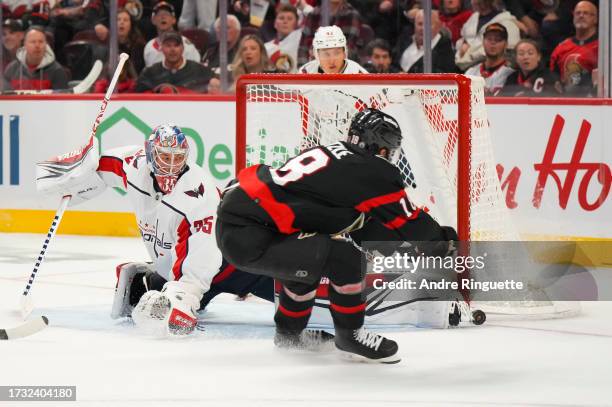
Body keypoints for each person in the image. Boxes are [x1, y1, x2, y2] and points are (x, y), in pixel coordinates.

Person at [216, 108, 458, 363]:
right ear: (384, 148)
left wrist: (398, 246)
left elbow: (355, 221)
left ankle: (289, 337)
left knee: (309, 260)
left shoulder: (336, 155)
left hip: (242, 224)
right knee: (345, 259)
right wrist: (444, 243)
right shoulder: (373, 170)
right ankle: (350, 337)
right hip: (250, 234)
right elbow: (411, 223)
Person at [36, 124, 274, 336]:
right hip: (184, 267)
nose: (171, 165)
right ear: (150, 154)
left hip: (235, 265)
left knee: (297, 305)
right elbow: (102, 165)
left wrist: (184, 298)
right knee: (151, 301)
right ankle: (149, 277)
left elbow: (204, 260)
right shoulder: (135, 165)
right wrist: (74, 169)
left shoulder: (199, 195)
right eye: (163, 157)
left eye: (177, 157)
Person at [136, 31, 212, 93]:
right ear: (162, 48)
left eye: (176, 45)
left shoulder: (199, 70)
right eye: (168, 45)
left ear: (182, 48)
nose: (172, 49)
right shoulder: (149, 73)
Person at [455, 0, 521, 71]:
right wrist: (463, 44)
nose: (472, 2)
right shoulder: (474, 17)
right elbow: (463, 38)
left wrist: (471, 54)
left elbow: (510, 53)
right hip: (466, 67)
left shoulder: (507, 22)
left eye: (479, 3)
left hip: (495, 70)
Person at [549, 1, 598, 96]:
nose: (581, 16)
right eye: (578, 13)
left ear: (595, 19)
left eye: (586, 13)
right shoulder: (561, 48)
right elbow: (553, 78)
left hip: (595, 102)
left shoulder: (604, 48)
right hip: (567, 101)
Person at [3, 25, 68, 92]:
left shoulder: (57, 71)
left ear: (46, 44)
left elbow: (61, 101)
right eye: (33, 42)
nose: (37, 45)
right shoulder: (11, 69)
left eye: (41, 42)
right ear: (25, 44)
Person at [297, 0, 362, 67]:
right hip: (313, 68)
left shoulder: (352, 15)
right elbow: (303, 47)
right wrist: (304, 71)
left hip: (341, 70)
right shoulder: (313, 14)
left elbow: (348, 49)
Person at [398, 9, 458, 74]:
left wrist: (410, 77)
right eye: (420, 24)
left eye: (428, 24)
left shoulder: (444, 47)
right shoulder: (406, 39)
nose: (423, 28)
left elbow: (442, 74)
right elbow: (392, 62)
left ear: (438, 27)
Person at [143, 2, 200, 68]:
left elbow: (196, 69)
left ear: (174, 20)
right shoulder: (149, 47)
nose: (163, 17)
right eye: (159, 14)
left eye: (167, 14)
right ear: (153, 20)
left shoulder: (184, 43)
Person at [464, 23, 514, 96]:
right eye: (489, 39)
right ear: (483, 42)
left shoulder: (510, 74)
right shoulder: (471, 72)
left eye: (498, 40)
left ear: (506, 44)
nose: (492, 43)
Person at [299, 25, 367, 74]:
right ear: (317, 54)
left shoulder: (357, 73)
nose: (332, 60)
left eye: (337, 53)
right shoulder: (306, 72)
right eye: (326, 54)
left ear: (344, 53)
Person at [264, 4, 302, 73]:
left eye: (290, 19)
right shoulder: (265, 47)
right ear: (275, 23)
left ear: (296, 24)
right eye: (281, 18)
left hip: (298, 81)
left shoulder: (300, 39)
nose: (285, 21)